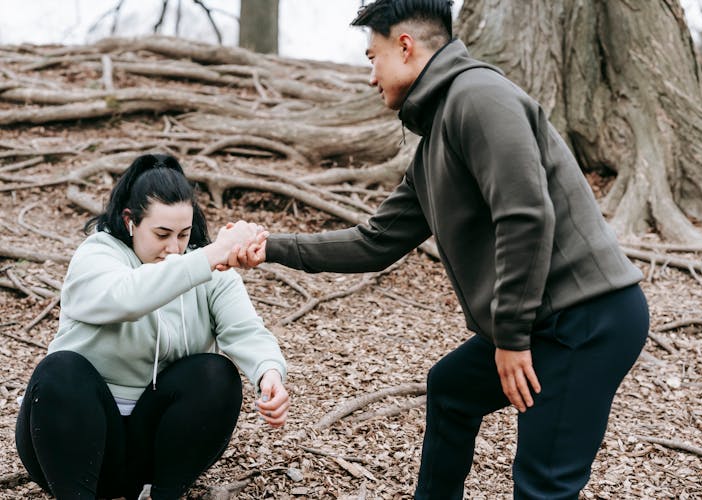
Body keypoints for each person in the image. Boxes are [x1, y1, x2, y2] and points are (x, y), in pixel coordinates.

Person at [230, 1, 651, 498]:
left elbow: (525, 214)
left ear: (405, 46)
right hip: (543, 319)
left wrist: (511, 340)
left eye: (372, 57)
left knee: (542, 487)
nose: (370, 77)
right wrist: (270, 246)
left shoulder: (479, 97)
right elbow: (374, 242)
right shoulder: (435, 143)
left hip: (585, 320)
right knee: (451, 389)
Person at [15, 154, 289, 500]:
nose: (174, 249)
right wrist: (210, 254)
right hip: (72, 440)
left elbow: (246, 330)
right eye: (161, 234)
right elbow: (126, 298)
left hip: (149, 444)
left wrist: (269, 374)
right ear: (130, 221)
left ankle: (162, 493)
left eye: (184, 235)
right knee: (60, 369)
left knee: (215, 372)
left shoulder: (206, 266)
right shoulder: (97, 255)